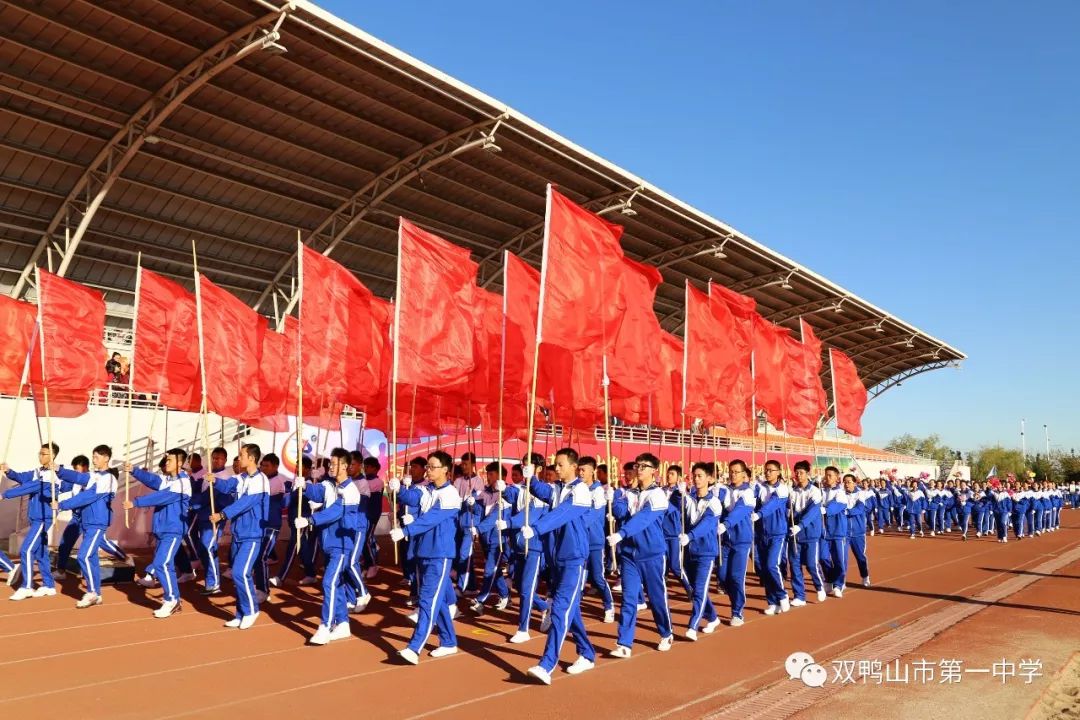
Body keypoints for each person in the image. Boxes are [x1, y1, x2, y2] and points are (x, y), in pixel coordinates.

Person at [517, 448, 596, 684]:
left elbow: (564, 513)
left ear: (574, 466)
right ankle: (587, 653)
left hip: (574, 561)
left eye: (560, 465)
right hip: (556, 560)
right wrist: (530, 477)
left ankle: (547, 664)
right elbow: (543, 491)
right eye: (555, 465)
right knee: (572, 613)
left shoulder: (581, 490)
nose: (556, 468)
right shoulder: (558, 489)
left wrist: (538, 528)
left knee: (560, 611)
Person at [390, 450, 462, 664]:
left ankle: (414, 647)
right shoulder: (426, 490)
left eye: (432, 467)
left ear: (445, 470)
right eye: (427, 467)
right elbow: (410, 497)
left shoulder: (450, 495)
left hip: (440, 555)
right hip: (423, 552)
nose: (428, 470)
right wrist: (399, 487)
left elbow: (431, 519)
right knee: (435, 602)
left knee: (427, 601)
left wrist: (405, 531)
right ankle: (448, 641)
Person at [607, 453, 674, 657]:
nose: (640, 469)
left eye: (645, 466)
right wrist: (615, 498)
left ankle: (666, 632)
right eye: (638, 465)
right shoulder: (629, 492)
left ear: (654, 471)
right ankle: (625, 643)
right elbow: (619, 513)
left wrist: (621, 533)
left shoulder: (658, 495)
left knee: (656, 597)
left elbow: (643, 519)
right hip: (629, 554)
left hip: (652, 553)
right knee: (629, 599)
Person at [294, 447, 360, 645]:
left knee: (328, 582)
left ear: (346, 466)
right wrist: (305, 486)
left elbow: (336, 512)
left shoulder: (351, 490)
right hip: (328, 543)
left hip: (342, 544)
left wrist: (310, 520)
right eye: (330, 463)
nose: (331, 466)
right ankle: (343, 624)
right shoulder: (328, 485)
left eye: (335, 463)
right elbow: (318, 492)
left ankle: (325, 625)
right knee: (336, 584)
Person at [123, 448, 191, 617]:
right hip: (162, 529)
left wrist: (135, 502)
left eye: (170, 460)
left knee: (161, 563)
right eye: (166, 459)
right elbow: (152, 479)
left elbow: (162, 497)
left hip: (173, 530)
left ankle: (172, 600)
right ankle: (173, 599)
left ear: (180, 463)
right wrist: (134, 471)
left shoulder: (182, 482)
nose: (166, 462)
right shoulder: (167, 479)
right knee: (165, 565)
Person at [208, 443, 268, 629]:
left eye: (241, 455)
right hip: (239, 533)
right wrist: (215, 481)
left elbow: (246, 503)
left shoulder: (260, 480)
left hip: (252, 534)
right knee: (239, 576)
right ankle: (240, 613)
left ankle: (251, 610)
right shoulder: (241, 477)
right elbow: (228, 486)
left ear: (251, 458)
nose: (239, 458)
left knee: (240, 572)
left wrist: (223, 514)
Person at [55, 445, 119, 608]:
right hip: (87, 521)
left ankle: (91, 592)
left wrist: (63, 504)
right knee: (92, 558)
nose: (94, 460)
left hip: (97, 522)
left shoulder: (109, 478)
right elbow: (79, 477)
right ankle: (96, 594)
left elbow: (89, 496)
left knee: (84, 555)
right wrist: (59, 470)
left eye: (96, 457)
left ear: (106, 458)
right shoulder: (94, 475)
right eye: (93, 457)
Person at [2, 443, 62, 600]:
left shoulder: (52, 475)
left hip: (44, 517)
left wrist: (5, 494)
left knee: (26, 550)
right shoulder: (38, 471)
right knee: (40, 552)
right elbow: (22, 478)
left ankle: (27, 586)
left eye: (44, 454)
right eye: (40, 453)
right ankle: (49, 585)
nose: (40, 456)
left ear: (53, 456)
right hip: (36, 517)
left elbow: (30, 487)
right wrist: (9, 471)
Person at [679, 461, 722, 639]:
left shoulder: (714, 503)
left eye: (700, 476)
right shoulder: (689, 499)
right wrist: (677, 492)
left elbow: (707, 524)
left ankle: (693, 626)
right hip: (690, 552)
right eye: (694, 476)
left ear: (710, 479)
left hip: (706, 552)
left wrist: (690, 536)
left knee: (699, 589)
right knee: (697, 589)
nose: (696, 479)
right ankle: (712, 617)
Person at [720, 459, 757, 626]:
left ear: (744, 475)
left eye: (736, 472)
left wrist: (725, 524)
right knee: (722, 576)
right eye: (731, 471)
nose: (733, 475)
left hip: (741, 540)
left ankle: (737, 612)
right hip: (725, 541)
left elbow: (740, 511)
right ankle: (734, 598)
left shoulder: (747, 492)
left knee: (736, 576)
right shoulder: (724, 490)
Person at [274, 455, 320, 587]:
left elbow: (309, 499)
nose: (298, 469)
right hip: (294, 520)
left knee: (292, 548)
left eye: (301, 467)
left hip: (303, 520)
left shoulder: (309, 484)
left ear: (307, 469)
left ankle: (281, 577)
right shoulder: (296, 482)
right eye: (297, 466)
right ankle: (311, 574)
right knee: (303, 548)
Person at [579, 456, 615, 624]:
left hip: (594, 542)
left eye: (583, 470)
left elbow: (594, 515)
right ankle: (574, 611)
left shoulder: (598, 490)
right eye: (579, 469)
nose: (580, 473)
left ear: (592, 471)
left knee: (598, 577)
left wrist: (577, 523)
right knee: (579, 579)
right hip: (579, 541)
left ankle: (609, 606)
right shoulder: (578, 488)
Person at [755, 459, 791, 615]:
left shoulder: (783, 489)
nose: (768, 473)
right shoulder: (759, 487)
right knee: (764, 569)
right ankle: (772, 601)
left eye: (771, 470)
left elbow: (773, 504)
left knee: (772, 565)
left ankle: (782, 595)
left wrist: (759, 514)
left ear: (778, 472)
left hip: (777, 533)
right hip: (761, 534)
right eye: (766, 470)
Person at [788, 460, 826, 606]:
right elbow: (789, 511)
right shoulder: (792, 491)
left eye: (801, 472)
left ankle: (819, 586)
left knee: (811, 564)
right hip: (795, 536)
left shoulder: (815, 492)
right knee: (795, 565)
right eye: (796, 472)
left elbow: (812, 512)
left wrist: (801, 525)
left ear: (807, 474)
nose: (798, 475)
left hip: (810, 534)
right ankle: (799, 595)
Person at [819, 466, 849, 598]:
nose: (827, 477)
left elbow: (837, 505)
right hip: (824, 532)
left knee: (839, 560)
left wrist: (825, 509)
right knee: (822, 557)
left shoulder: (840, 492)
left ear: (837, 478)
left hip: (837, 531)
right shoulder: (821, 491)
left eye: (830, 475)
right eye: (826, 475)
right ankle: (829, 579)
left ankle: (838, 584)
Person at [843, 474, 872, 588]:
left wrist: (847, 511)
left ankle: (865, 576)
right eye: (844, 482)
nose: (846, 484)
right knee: (842, 557)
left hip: (858, 532)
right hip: (844, 531)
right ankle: (842, 580)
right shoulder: (841, 494)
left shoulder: (860, 494)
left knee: (860, 556)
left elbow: (859, 509)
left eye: (849, 482)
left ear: (854, 483)